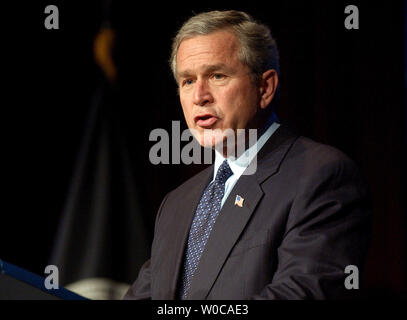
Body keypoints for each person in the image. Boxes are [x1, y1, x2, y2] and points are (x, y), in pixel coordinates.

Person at [124, 10, 371, 300]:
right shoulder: (177, 203)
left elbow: (302, 293)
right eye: (187, 81)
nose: (199, 96)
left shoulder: (321, 176)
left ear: (265, 88)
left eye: (217, 75)